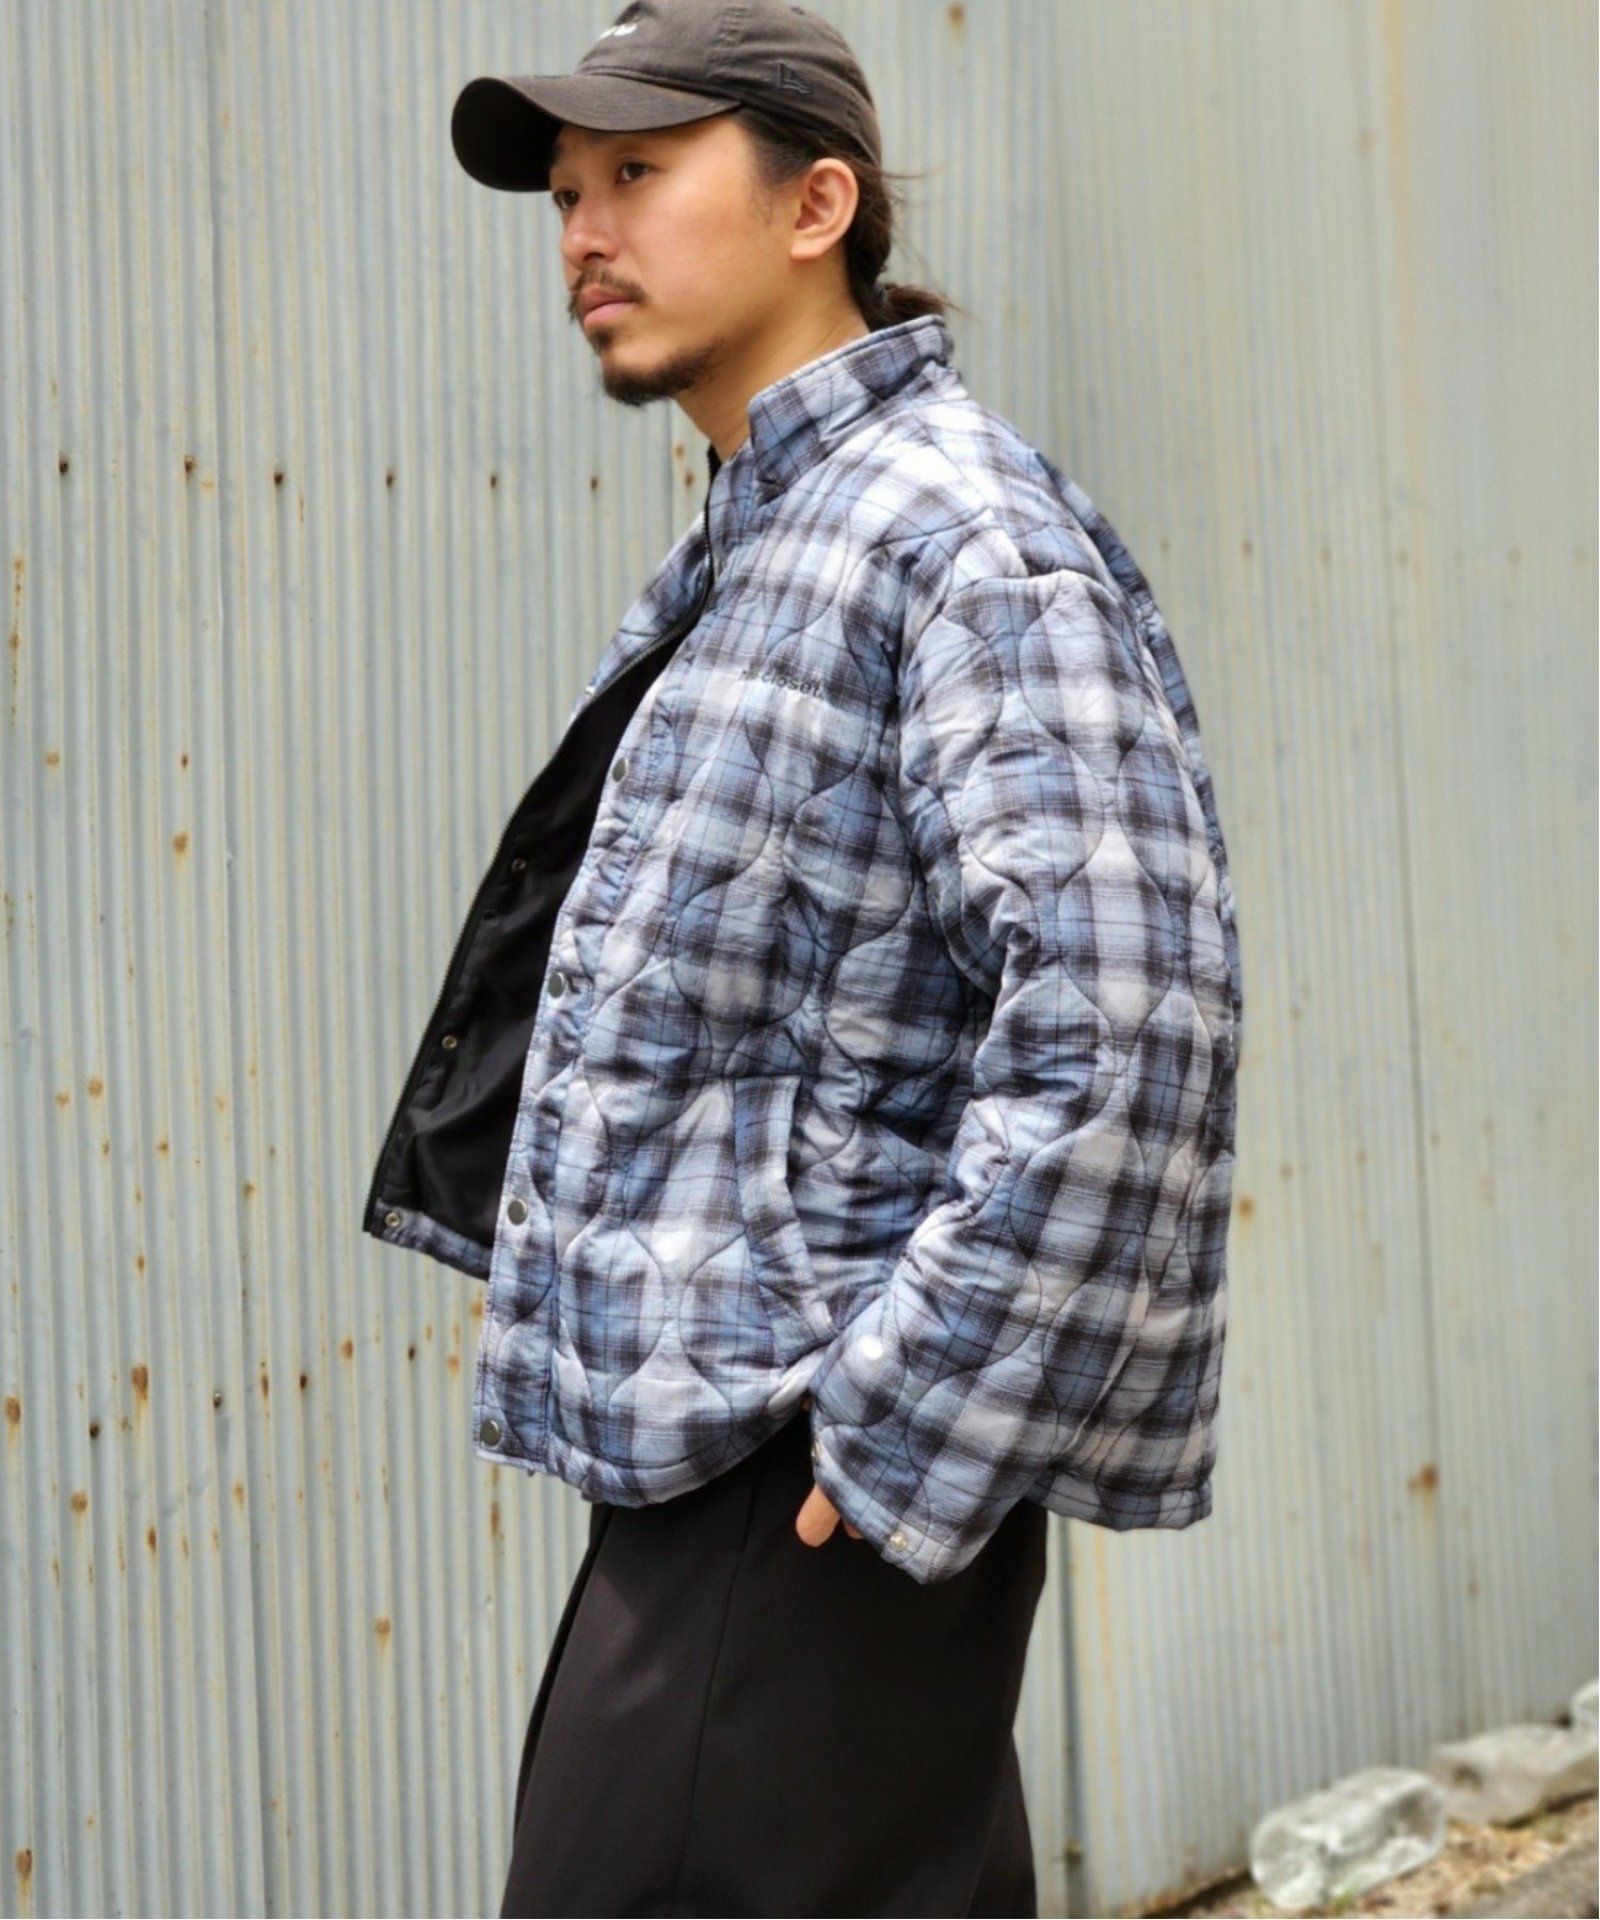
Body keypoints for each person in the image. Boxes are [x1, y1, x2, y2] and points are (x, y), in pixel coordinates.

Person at [365, 1, 1243, 1912]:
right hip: (740, 1473)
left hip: (799, 1472)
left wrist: (898, 1436)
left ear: (814, 205)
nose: (586, 231)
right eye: (567, 192)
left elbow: (1127, 1031)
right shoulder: (768, 536)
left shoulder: (956, 537)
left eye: (639, 172)